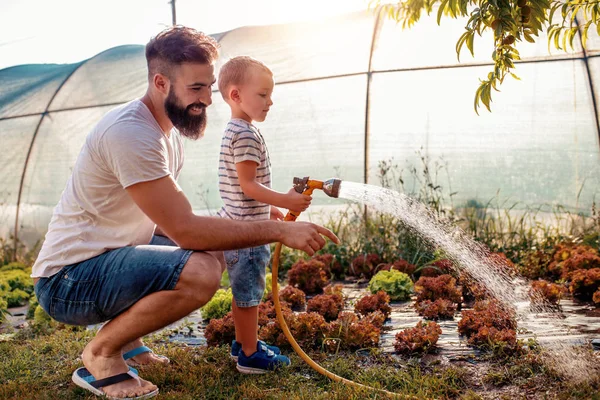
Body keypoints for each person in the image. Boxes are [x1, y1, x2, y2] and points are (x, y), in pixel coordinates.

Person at [30, 26, 338, 399]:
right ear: (160, 82)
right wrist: (279, 231)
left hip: (102, 260)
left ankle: (129, 343)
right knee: (201, 270)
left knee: (212, 249)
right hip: (67, 282)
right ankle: (101, 354)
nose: (208, 99)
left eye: (209, 86)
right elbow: (187, 230)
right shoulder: (131, 134)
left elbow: (171, 220)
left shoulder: (167, 132)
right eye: (196, 88)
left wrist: (258, 217)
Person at [216, 56, 311, 374]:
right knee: (249, 293)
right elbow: (248, 186)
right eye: (262, 94)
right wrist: (285, 199)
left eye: (270, 94)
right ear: (235, 95)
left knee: (243, 290)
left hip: (240, 224)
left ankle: (243, 342)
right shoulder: (245, 135)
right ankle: (249, 354)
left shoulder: (237, 129)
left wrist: (271, 208)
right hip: (249, 233)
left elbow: (241, 190)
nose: (270, 101)